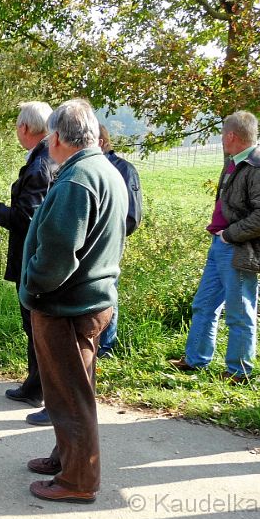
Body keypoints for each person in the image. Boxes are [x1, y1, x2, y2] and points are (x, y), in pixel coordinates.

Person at [19, 99, 127, 503]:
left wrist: (35, 287)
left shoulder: (77, 179)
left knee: (69, 394)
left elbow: (60, 250)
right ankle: (66, 457)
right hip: (88, 301)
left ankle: (78, 479)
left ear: (60, 137)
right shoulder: (105, 170)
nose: (47, 143)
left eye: (49, 136)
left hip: (66, 305)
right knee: (73, 388)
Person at [169, 111, 260, 383]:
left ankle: (239, 372)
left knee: (239, 312)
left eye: (222, 135)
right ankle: (196, 361)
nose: (221, 140)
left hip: (238, 248)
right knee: (204, 304)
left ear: (230, 136)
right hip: (220, 245)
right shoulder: (235, 160)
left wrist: (231, 235)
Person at [0, 101, 57, 426]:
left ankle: (47, 395)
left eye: (16, 127)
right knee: (33, 326)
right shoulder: (45, 158)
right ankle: (33, 387)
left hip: (34, 259)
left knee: (39, 328)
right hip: (36, 257)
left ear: (25, 128)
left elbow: (25, 218)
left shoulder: (40, 165)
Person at [96, 124, 143, 358]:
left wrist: (109, 236)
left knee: (107, 291)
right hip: (89, 244)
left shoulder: (125, 170)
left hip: (109, 243)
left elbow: (132, 216)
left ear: (101, 143)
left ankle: (106, 346)